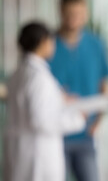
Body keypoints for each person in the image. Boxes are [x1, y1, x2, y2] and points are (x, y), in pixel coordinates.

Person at [4, 22, 85, 181]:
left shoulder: (19, 73)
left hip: (21, 151)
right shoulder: (39, 77)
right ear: (43, 42)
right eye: (51, 40)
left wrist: (60, 100)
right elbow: (40, 120)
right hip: (37, 155)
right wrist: (77, 119)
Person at [48, 0, 108, 181]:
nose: (74, 19)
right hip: (56, 134)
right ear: (61, 13)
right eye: (69, 14)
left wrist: (99, 120)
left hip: (86, 133)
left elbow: (104, 84)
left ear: (86, 15)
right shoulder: (48, 44)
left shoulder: (96, 45)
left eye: (79, 14)